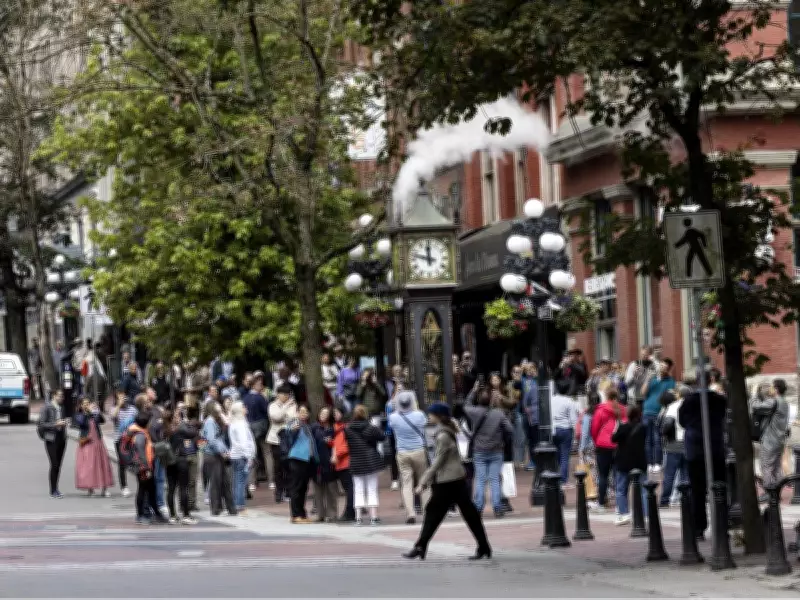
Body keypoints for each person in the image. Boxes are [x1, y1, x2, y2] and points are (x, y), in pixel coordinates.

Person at [402, 403, 492, 561]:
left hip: (448, 481)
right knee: (466, 514)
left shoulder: (443, 435)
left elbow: (438, 462)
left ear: (439, 416)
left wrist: (423, 482)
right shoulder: (445, 431)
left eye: (431, 414)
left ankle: (420, 547)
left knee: (435, 513)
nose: (428, 416)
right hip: (454, 479)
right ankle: (483, 546)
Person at [678, 373, 727, 539]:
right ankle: (722, 525)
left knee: (697, 491)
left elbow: (682, 422)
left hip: (695, 450)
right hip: (715, 448)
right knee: (720, 489)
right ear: (710, 381)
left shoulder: (688, 401)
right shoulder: (719, 400)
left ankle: (699, 528)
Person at [463, 386, 513, 518]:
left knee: (480, 479)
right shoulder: (498, 413)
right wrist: (501, 438)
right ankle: (497, 507)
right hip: (496, 450)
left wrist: (473, 391)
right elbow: (510, 429)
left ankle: (478, 507)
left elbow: (466, 405)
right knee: (494, 479)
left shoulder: (474, 412)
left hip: (479, 450)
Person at [389, 390, 429, 524]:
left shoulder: (394, 417)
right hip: (419, 450)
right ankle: (427, 511)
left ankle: (410, 513)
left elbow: (390, 408)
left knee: (406, 483)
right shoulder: (419, 415)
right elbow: (424, 426)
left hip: (402, 451)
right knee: (423, 481)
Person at [345, 405, 385, 525]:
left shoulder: (348, 429)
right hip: (370, 460)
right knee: (372, 488)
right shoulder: (370, 427)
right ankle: (374, 517)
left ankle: (358, 518)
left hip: (356, 461)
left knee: (358, 489)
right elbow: (382, 437)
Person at [127, 408, 168, 524]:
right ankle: (142, 514)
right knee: (144, 490)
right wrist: (146, 468)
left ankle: (153, 513)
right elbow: (141, 452)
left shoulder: (141, 432)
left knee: (150, 490)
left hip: (144, 467)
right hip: (143, 468)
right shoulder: (140, 435)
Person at [751, 379, 790, 498]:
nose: (770, 389)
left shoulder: (774, 402)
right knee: (776, 467)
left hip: (770, 440)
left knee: (766, 466)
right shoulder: (784, 402)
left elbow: (755, 406)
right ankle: (776, 491)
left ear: (776, 389)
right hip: (779, 440)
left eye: (772, 387)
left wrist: (754, 393)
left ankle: (769, 492)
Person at [590, 387, 627, 510]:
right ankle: (619, 503)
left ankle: (601, 502)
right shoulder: (623, 410)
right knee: (618, 475)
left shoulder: (600, 410)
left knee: (603, 475)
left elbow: (595, 428)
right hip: (618, 445)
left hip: (603, 445)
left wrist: (597, 442)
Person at [611, 405, 648, 525]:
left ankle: (624, 513)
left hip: (624, 462)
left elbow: (613, 439)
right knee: (644, 490)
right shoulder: (642, 428)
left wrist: (617, 426)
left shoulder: (623, 427)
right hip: (640, 461)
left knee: (621, 489)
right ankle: (646, 514)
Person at [282, 405, 318, 523]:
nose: (303, 414)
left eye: (305, 412)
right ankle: (295, 514)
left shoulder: (307, 426)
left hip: (307, 459)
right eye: (301, 412)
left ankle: (302, 513)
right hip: (297, 458)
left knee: (303, 487)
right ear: (296, 413)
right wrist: (293, 430)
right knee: (296, 487)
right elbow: (289, 436)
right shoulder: (294, 423)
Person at [640, 357, 675, 475]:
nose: (662, 368)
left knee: (657, 438)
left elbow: (670, 397)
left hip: (659, 413)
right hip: (647, 411)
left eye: (665, 367)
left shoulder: (670, 382)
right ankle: (649, 463)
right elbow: (643, 393)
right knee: (647, 439)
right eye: (661, 366)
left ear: (669, 369)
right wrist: (647, 380)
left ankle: (657, 463)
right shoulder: (653, 379)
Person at [73, 397, 114, 497]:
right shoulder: (79, 415)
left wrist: (97, 412)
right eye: (85, 404)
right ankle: (90, 489)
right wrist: (89, 413)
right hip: (87, 442)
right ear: (81, 405)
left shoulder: (94, 414)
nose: (87, 405)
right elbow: (81, 422)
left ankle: (104, 488)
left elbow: (102, 420)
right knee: (89, 466)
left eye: (88, 403)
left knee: (102, 464)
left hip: (97, 442)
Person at [202, 401, 237, 516]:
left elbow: (220, 438)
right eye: (217, 405)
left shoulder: (216, 421)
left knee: (225, 482)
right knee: (216, 482)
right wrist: (222, 452)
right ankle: (216, 508)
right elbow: (212, 440)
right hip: (213, 455)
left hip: (218, 454)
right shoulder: (210, 422)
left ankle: (230, 508)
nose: (219, 406)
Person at [164, 407, 198, 524]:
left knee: (171, 489)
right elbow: (193, 432)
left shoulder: (165, 429)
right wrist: (185, 422)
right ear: (175, 418)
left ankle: (172, 515)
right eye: (178, 415)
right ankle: (186, 515)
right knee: (183, 488)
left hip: (169, 461)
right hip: (181, 459)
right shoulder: (180, 429)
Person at [267, 384, 297, 503]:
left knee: (289, 466)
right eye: (282, 394)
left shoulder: (293, 405)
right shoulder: (272, 405)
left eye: (287, 394)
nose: (285, 396)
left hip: (289, 438)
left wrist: (285, 414)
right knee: (278, 467)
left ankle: (289, 491)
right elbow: (276, 417)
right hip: (275, 439)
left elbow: (293, 418)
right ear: (278, 394)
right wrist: (285, 408)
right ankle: (279, 493)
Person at [242, 374, 270, 495]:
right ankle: (271, 480)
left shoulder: (245, 398)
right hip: (262, 426)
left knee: (252, 454)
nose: (261, 386)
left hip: (250, 427)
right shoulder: (261, 397)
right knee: (267, 453)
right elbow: (266, 411)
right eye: (259, 384)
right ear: (254, 385)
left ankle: (252, 482)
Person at [38, 389, 68, 498]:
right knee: (54, 463)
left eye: (62, 396)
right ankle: (53, 490)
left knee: (58, 465)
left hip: (61, 438)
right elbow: (42, 424)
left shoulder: (62, 408)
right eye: (59, 396)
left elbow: (63, 419)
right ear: (54, 396)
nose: (61, 398)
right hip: (51, 439)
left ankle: (56, 488)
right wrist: (55, 424)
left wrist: (64, 423)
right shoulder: (47, 407)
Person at [551, 379, 580, 487]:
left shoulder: (551, 400)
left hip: (554, 429)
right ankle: (563, 480)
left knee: (556, 455)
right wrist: (576, 433)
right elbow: (573, 419)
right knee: (564, 456)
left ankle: (556, 476)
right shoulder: (569, 401)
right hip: (565, 429)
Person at [311, 407, 338, 522]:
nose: (323, 415)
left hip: (329, 462)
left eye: (326, 413)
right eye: (321, 412)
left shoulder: (333, 429)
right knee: (318, 490)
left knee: (331, 489)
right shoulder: (314, 427)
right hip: (317, 462)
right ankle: (320, 514)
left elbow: (337, 444)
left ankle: (332, 514)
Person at [331, 405, 355, 521]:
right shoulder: (336, 427)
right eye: (334, 412)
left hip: (345, 462)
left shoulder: (345, 427)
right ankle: (350, 511)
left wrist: (337, 454)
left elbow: (346, 445)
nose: (335, 414)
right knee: (348, 488)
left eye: (337, 412)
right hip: (340, 463)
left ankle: (350, 512)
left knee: (349, 488)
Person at [111, 387, 138, 497]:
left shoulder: (133, 409)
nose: (122, 398)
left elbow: (138, 421)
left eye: (123, 396)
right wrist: (118, 405)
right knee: (122, 463)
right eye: (119, 397)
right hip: (119, 439)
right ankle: (124, 486)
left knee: (135, 461)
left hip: (132, 439)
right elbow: (113, 417)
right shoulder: (114, 409)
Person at [577, 392, 601, 509]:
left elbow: (585, 433)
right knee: (599, 469)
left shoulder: (588, 415)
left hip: (590, 446)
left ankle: (592, 495)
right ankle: (602, 494)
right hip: (601, 444)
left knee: (589, 470)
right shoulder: (602, 412)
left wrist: (581, 448)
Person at [520, 363, 539, 471]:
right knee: (530, 439)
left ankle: (537, 460)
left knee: (536, 439)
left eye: (532, 368)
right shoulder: (525, 381)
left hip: (537, 414)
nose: (530, 371)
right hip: (527, 414)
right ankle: (532, 460)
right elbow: (518, 381)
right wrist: (522, 369)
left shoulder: (539, 380)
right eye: (528, 369)